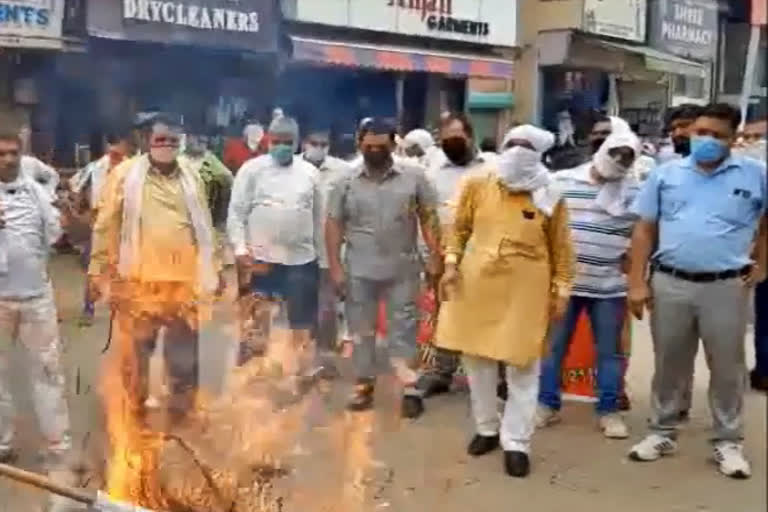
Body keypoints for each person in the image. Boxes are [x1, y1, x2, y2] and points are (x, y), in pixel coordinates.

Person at [627, 103, 766, 479]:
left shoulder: (756, 174)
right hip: (670, 281)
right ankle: (661, 431)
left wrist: (763, 262)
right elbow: (644, 229)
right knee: (669, 361)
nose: (707, 140)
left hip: (725, 285)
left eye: (717, 135)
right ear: (690, 132)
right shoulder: (665, 174)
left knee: (727, 367)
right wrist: (637, 283)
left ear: (733, 139)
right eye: (701, 132)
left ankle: (728, 441)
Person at [435, 125, 574, 478]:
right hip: (476, 283)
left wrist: (562, 290)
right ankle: (487, 429)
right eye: (512, 143)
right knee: (477, 360)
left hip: (527, 288)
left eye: (526, 146)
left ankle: (517, 443)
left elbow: (562, 248)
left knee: (522, 367)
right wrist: (450, 265)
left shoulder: (550, 192)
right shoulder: (479, 183)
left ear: (539, 152)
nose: (517, 151)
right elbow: (459, 230)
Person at [88, 115, 223, 425]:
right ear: (147, 140)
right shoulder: (124, 174)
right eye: (160, 139)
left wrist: (213, 269)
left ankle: (182, 417)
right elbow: (105, 224)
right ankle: (133, 419)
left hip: (184, 285)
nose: (166, 145)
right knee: (136, 359)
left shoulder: (193, 174)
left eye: (173, 140)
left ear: (181, 142)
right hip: (138, 284)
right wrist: (97, 270)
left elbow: (204, 225)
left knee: (184, 360)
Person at [326, 118, 442, 419]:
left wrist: (435, 255)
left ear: (394, 144)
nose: (375, 151)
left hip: (403, 267)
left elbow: (429, 217)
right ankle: (364, 385)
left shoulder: (415, 177)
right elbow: (334, 224)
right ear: (359, 144)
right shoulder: (345, 180)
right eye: (369, 146)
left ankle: (409, 388)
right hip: (359, 270)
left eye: (381, 146)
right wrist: (335, 267)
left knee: (403, 328)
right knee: (361, 330)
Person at [537, 129, 642, 439]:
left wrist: (634, 266)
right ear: (602, 150)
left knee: (609, 352)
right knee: (553, 348)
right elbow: (544, 226)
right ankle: (546, 404)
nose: (619, 161)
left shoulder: (634, 191)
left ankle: (608, 410)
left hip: (609, 288)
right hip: (566, 285)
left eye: (627, 158)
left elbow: (643, 234)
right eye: (615, 154)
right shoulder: (562, 181)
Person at [228, 117, 321, 376]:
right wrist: (239, 249)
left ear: (297, 143)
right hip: (260, 258)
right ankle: (253, 373)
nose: (281, 147)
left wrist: (323, 260)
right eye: (276, 142)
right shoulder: (251, 169)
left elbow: (319, 217)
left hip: (301, 259)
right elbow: (236, 213)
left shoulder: (310, 173)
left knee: (301, 319)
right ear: (268, 141)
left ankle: (302, 371)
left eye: (287, 142)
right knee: (257, 317)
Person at [0, 129, 71, 465]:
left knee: (47, 371)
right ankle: (2, 444)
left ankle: (57, 445)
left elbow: (55, 235)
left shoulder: (37, 193)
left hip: (37, 298)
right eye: (1, 154)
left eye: (13, 152)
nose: (8, 159)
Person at [419, 113, 491, 396]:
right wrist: (431, 254)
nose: (452, 145)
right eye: (446, 140)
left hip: (485, 256)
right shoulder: (434, 172)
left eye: (457, 139)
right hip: (444, 255)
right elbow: (426, 216)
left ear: (470, 137)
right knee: (444, 315)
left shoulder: (492, 169)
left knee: (486, 315)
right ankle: (442, 373)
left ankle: (490, 379)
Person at [301, 129, 352, 370]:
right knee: (300, 306)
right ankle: (301, 357)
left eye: (324, 144)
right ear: (304, 144)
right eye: (314, 143)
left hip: (328, 250)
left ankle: (326, 358)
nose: (319, 148)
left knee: (327, 307)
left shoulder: (343, 171)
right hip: (298, 250)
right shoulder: (292, 169)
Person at [71, 129, 134, 325]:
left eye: (120, 144)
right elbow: (76, 187)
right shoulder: (95, 167)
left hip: (127, 225)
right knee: (94, 268)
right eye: (113, 144)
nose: (116, 149)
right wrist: (81, 211)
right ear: (107, 146)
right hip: (101, 224)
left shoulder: (135, 169)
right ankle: (88, 309)